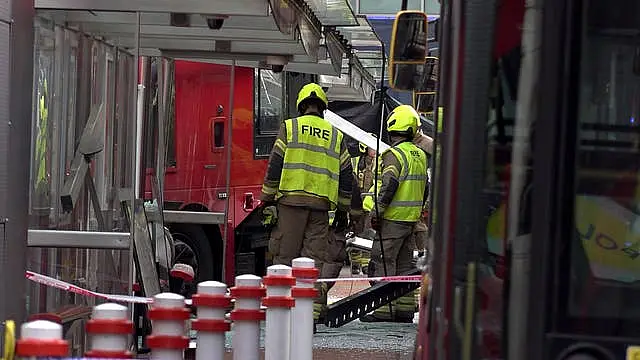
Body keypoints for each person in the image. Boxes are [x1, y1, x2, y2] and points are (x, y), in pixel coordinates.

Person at [260, 82, 352, 323]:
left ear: (301, 106)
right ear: (323, 108)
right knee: (312, 262)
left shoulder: (290, 127)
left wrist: (266, 200)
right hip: (321, 208)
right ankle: (308, 313)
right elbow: (346, 177)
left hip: (290, 203)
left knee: (284, 257)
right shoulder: (336, 135)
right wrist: (343, 211)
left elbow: (275, 166)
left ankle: (279, 311)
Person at [360, 104, 429, 323]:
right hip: (411, 220)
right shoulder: (419, 155)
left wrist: (376, 212)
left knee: (382, 262)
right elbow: (425, 187)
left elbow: (389, 185)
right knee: (405, 266)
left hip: (392, 219)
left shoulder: (394, 155)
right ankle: (405, 310)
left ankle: (383, 310)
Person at [348, 135, 378, 275]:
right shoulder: (355, 161)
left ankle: (366, 264)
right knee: (355, 233)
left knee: (368, 235)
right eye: (372, 147)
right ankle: (355, 263)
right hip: (356, 204)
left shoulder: (380, 162)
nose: (374, 150)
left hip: (370, 205)